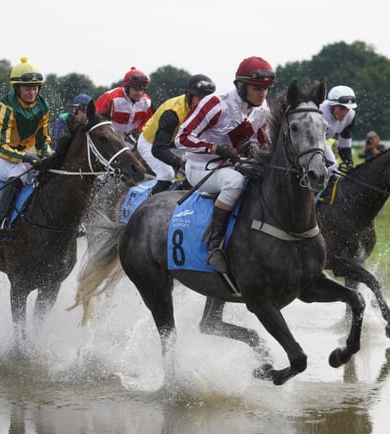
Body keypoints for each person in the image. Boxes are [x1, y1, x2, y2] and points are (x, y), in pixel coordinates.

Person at [176, 56, 274, 273]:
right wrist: (213, 148)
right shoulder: (215, 104)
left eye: (266, 88)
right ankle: (215, 246)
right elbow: (181, 138)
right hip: (201, 167)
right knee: (234, 182)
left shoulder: (263, 108)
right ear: (240, 85)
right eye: (257, 88)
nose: (262, 94)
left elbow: (263, 141)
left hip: (234, 163)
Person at [0, 57, 52, 243]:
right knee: (19, 171)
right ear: (17, 88)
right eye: (28, 88)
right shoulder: (5, 106)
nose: (32, 92)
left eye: (35, 88)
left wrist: (48, 156)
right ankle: (0, 225)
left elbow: (43, 142)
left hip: (21, 155)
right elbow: (1, 147)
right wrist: (26, 156)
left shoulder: (43, 106)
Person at [137, 74, 216, 195]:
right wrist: (178, 163)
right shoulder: (173, 112)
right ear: (190, 96)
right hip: (151, 142)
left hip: (176, 144)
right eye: (199, 98)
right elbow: (158, 149)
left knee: (193, 173)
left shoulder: (208, 111)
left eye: (206, 100)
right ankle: (149, 207)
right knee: (167, 174)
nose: (203, 104)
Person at [95, 67, 153, 141]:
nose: (139, 93)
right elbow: (95, 119)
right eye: (136, 89)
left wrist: (139, 131)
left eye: (142, 89)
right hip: (111, 140)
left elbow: (148, 124)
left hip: (133, 141)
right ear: (126, 87)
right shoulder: (110, 97)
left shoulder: (147, 102)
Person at [319, 85, 357, 174]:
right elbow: (317, 141)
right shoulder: (320, 112)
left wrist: (349, 163)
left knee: (333, 170)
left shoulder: (351, 116)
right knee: (333, 169)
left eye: (348, 109)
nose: (345, 113)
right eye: (342, 108)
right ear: (331, 106)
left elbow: (344, 145)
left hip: (323, 142)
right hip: (308, 142)